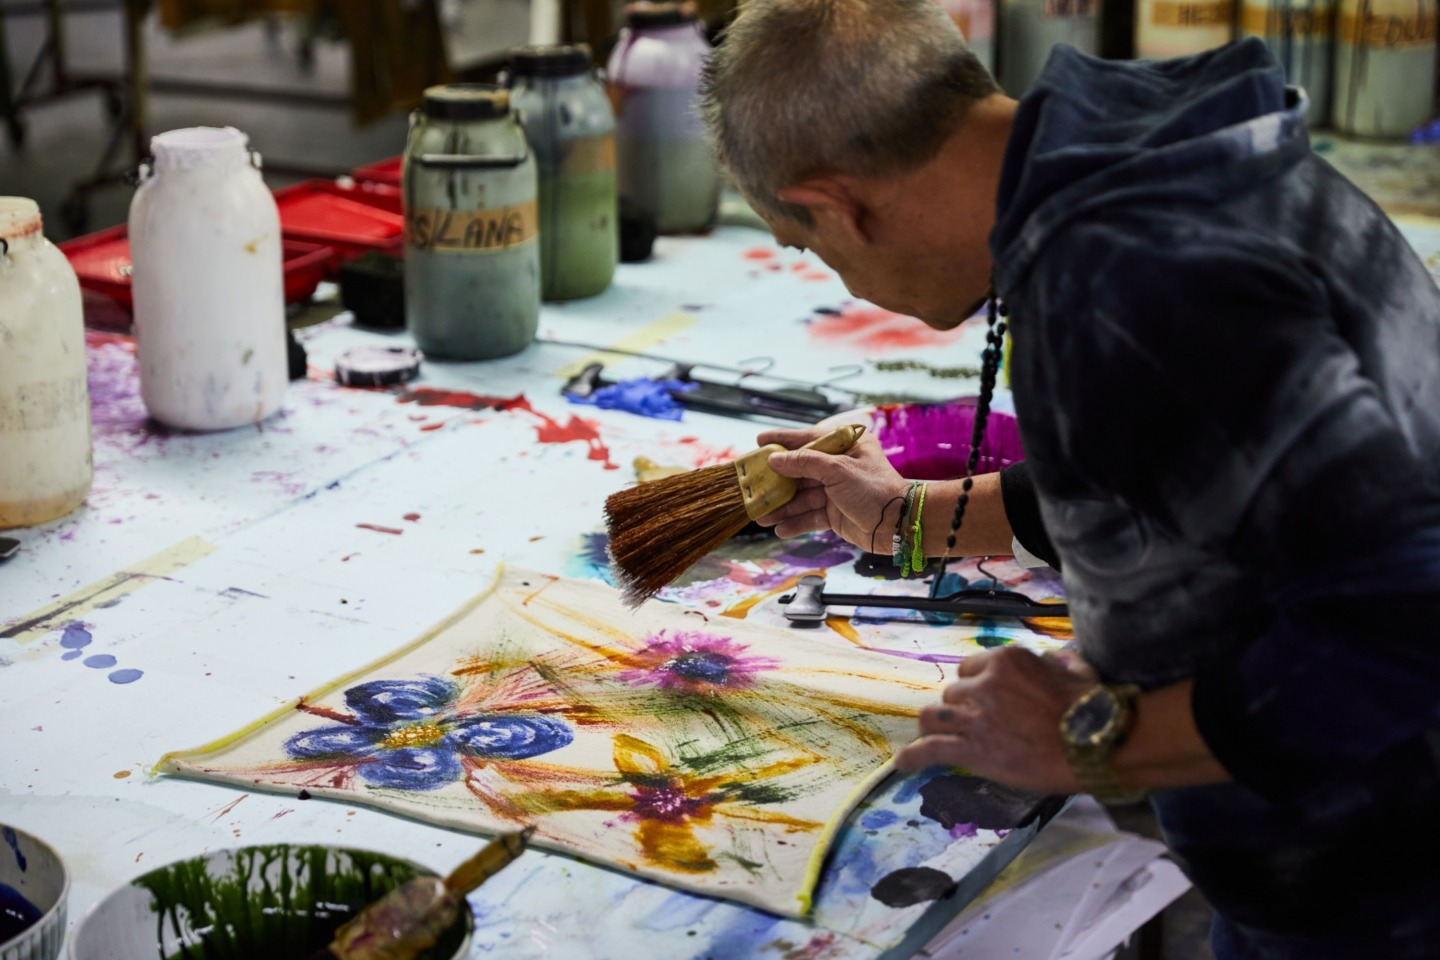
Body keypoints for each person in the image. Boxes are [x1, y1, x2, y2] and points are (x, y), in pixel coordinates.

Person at [699, 2, 1440, 957]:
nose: (843, 278)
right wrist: (903, 517)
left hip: (1387, 886)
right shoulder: (1120, 165)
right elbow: (1177, 466)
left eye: (816, 248)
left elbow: (1409, 627)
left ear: (840, 203)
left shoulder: (1139, 278)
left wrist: (1093, 738)